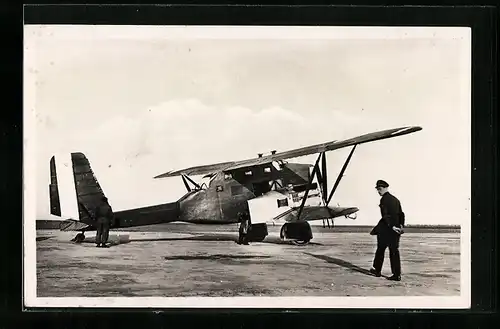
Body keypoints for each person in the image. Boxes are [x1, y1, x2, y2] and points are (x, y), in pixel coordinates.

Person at [369, 180, 405, 281]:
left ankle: (377, 270)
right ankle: (397, 274)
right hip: (396, 230)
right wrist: (401, 226)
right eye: (377, 189)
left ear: (385, 188)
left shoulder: (384, 200)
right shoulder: (395, 200)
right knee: (394, 251)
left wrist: (391, 226)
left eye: (379, 189)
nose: (378, 191)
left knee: (380, 249)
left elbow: (385, 216)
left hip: (386, 230)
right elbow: (401, 214)